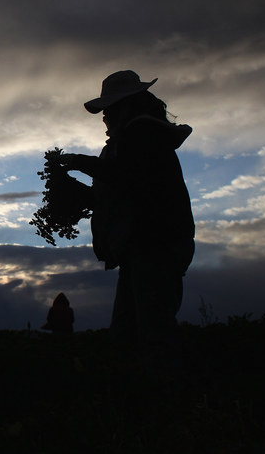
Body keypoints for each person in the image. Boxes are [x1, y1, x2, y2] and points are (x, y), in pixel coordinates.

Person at [57, 70, 195, 350]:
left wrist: (77, 161)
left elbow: (124, 175)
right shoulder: (132, 139)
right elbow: (119, 193)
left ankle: (165, 387)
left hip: (155, 245)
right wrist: (76, 192)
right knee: (130, 332)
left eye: (108, 110)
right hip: (141, 247)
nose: (105, 117)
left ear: (126, 107)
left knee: (151, 333)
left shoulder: (144, 134)